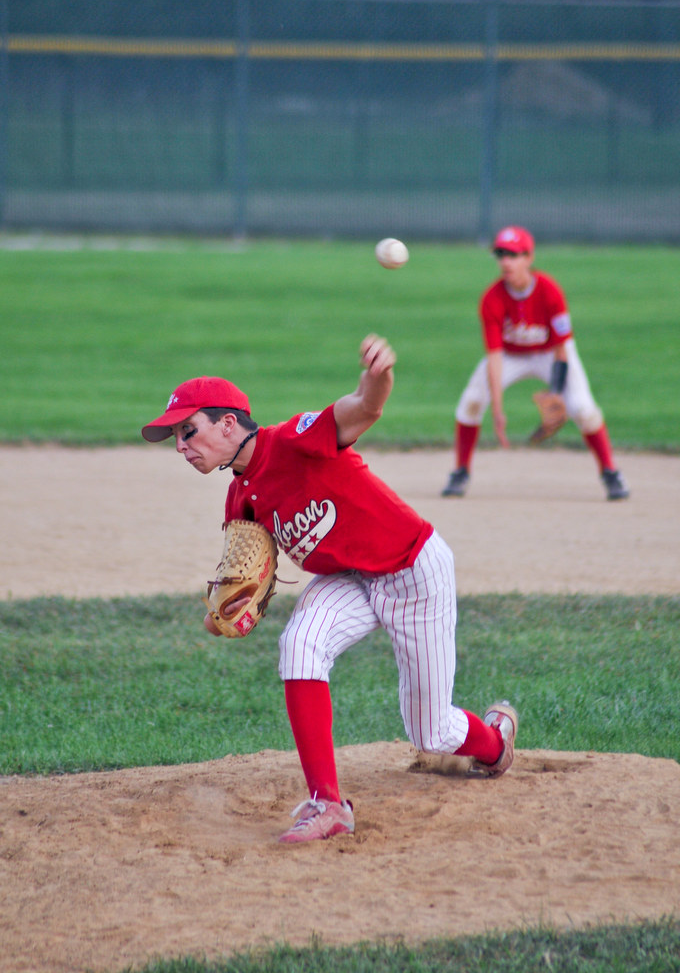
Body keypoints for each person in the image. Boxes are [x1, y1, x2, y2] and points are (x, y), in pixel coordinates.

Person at [142, 334, 517, 844]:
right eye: (176, 438)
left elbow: (363, 408)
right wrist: (221, 616)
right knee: (299, 645)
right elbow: (237, 593)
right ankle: (328, 804)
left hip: (413, 569)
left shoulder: (294, 439)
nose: (182, 446)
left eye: (189, 431)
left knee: (430, 732)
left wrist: (379, 374)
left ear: (228, 422)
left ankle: (495, 741)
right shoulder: (240, 500)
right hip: (350, 579)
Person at [441, 226, 630, 501]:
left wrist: (555, 392)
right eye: (501, 254)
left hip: (550, 354)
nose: (506, 261)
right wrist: (497, 409)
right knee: (470, 403)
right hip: (509, 355)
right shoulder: (492, 298)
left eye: (513, 255)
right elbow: (494, 356)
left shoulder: (549, 290)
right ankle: (460, 471)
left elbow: (562, 349)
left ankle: (610, 472)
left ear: (529, 257)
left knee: (584, 410)